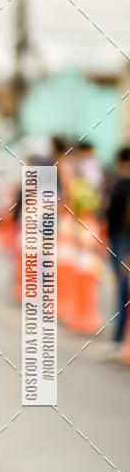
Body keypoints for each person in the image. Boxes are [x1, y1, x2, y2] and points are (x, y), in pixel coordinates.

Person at [105, 147, 130, 347]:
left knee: (124, 287)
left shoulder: (122, 184)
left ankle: (120, 335)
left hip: (122, 239)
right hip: (119, 239)